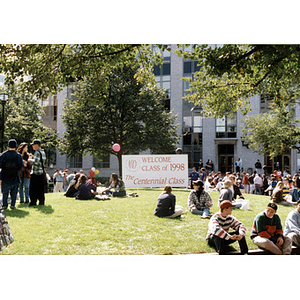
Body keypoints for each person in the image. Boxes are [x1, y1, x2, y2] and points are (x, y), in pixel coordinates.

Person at [0, 139, 23, 209]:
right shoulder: (18, 156)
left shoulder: (3, 155)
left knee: (5, 193)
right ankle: (12, 205)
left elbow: (0, 165)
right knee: (14, 193)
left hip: (5, 176)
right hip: (15, 176)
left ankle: (4, 205)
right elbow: (20, 166)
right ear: (15, 146)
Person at [28, 139, 47, 206]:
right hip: (41, 173)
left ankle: (33, 202)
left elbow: (36, 162)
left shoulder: (37, 152)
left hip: (36, 173)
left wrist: (29, 160)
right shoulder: (42, 152)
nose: (32, 146)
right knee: (40, 190)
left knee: (33, 190)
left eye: (33, 145)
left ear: (37, 145)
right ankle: (41, 202)